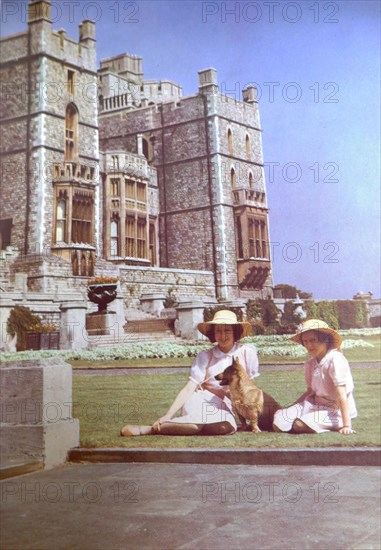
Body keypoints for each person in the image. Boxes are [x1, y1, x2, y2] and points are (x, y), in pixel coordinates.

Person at [120, 309, 260, 436]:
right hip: (202, 400)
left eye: (227, 330)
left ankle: (187, 427)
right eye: (218, 330)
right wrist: (168, 414)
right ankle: (151, 429)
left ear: (235, 331)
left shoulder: (247, 353)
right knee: (195, 425)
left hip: (229, 406)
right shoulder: (205, 356)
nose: (222, 335)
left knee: (225, 427)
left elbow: (251, 389)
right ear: (213, 333)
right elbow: (189, 388)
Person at [273, 319, 357, 435]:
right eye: (305, 341)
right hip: (314, 405)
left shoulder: (335, 359)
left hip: (335, 409)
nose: (309, 345)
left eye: (313, 340)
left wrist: (347, 425)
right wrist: (290, 408)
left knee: (299, 425)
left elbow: (341, 394)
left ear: (325, 339)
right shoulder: (311, 363)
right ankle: (306, 420)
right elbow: (310, 392)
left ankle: (337, 422)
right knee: (279, 419)